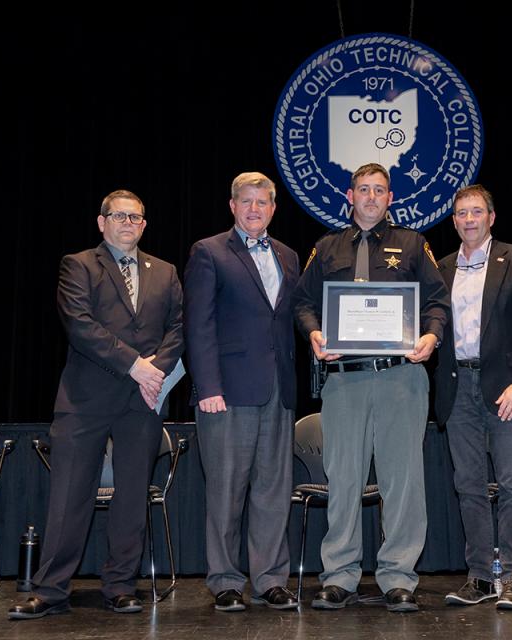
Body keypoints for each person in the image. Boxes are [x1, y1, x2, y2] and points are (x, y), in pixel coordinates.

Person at [9, 189, 184, 620]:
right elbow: (79, 325)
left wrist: (154, 372)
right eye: (119, 216)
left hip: (142, 401)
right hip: (85, 400)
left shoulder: (165, 271)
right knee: (69, 496)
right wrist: (135, 367)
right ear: (101, 221)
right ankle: (50, 590)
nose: (128, 223)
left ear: (144, 225)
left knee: (130, 498)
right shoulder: (79, 265)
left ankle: (121, 586)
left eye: (136, 217)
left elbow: (178, 329)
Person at [294, 163, 450, 613]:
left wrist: (431, 337)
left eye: (379, 190)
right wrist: (315, 334)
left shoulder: (414, 244)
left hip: (401, 376)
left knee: (403, 480)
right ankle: (339, 575)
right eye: (363, 189)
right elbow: (304, 303)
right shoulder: (325, 247)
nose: (370, 196)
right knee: (343, 479)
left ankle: (398, 575)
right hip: (345, 381)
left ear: (390, 198)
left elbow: (437, 301)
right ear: (350, 194)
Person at [183, 172, 300, 612]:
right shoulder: (209, 252)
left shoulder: (288, 255)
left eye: (263, 202)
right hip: (226, 393)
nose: (254, 209)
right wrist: (207, 385)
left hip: (278, 392)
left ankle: (270, 578)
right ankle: (225, 580)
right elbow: (198, 325)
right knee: (226, 492)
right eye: (246, 201)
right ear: (232, 206)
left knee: (273, 491)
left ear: (273, 208)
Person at [434, 185, 512, 610]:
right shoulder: (442, 267)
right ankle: (480, 576)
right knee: (467, 486)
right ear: (454, 220)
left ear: (491, 216)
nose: (468, 219)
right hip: (456, 386)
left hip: (505, 389)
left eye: (476, 212)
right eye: (461, 213)